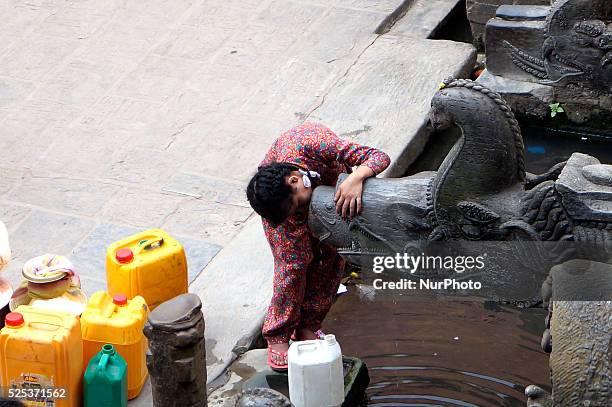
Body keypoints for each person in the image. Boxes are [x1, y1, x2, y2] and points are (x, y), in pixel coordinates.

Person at [246, 122, 390, 371]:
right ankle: (278, 335)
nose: (299, 213)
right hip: (283, 209)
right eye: (294, 211)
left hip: (331, 190)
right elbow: (289, 267)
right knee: (292, 268)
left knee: (330, 257)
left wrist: (357, 176)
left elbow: (378, 157)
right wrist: (293, 214)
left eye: (298, 206)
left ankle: (308, 326)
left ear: (295, 180)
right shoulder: (278, 203)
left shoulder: (315, 144)